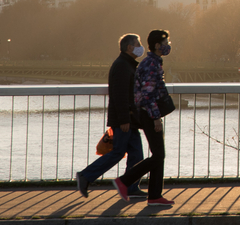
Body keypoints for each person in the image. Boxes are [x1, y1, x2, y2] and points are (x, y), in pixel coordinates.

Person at [75, 34, 146, 199]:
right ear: (129, 47)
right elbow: (119, 95)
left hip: (129, 119)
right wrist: (124, 119)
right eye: (138, 44)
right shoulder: (122, 66)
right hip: (125, 119)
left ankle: (131, 186)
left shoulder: (126, 64)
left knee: (137, 155)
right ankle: (86, 176)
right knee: (118, 152)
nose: (141, 47)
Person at [114, 29, 174, 207]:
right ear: (157, 45)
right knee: (158, 155)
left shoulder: (152, 62)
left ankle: (155, 195)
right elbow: (148, 95)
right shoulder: (150, 65)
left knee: (158, 155)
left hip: (150, 114)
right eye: (165, 43)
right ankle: (125, 181)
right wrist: (156, 118)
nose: (167, 46)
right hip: (149, 115)